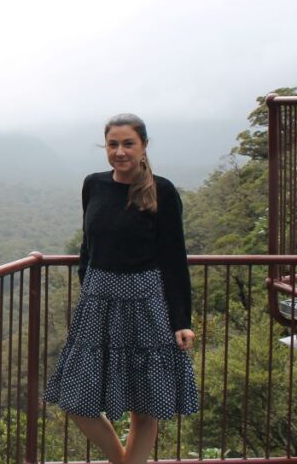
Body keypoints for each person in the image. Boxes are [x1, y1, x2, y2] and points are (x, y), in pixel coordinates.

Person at [43, 113, 198, 464]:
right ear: (105, 146)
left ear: (143, 146)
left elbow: (174, 258)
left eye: (128, 143)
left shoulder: (163, 191)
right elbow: (88, 243)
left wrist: (181, 319)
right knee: (77, 398)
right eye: (113, 144)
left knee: (145, 405)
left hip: (147, 303)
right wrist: (90, 281)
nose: (120, 151)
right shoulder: (93, 184)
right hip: (98, 302)